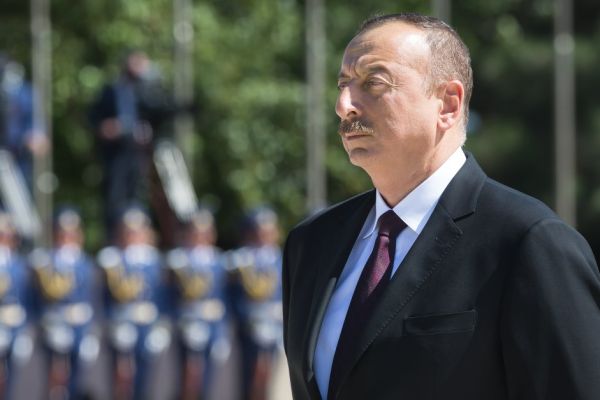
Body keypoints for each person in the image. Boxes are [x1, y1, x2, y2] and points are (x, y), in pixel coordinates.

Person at [282, 13, 600, 400]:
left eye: (373, 83)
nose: (343, 105)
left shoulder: (528, 242)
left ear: (448, 103)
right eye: (343, 84)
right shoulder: (311, 244)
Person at [89, 50, 173, 240]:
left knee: (142, 196)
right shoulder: (111, 91)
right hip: (117, 153)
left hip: (143, 152)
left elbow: (163, 114)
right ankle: (114, 238)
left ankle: (142, 238)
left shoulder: (151, 91)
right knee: (115, 197)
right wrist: (105, 127)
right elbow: (94, 117)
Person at [29, 207, 99, 399]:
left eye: (72, 233)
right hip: (54, 325)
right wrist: (47, 323)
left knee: (77, 378)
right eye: (63, 234)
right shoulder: (45, 262)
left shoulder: (85, 263)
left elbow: (93, 298)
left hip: (80, 325)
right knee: (53, 378)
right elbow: (36, 299)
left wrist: (91, 332)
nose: (67, 238)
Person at [166, 207, 230, 399]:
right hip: (185, 325)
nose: (200, 236)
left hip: (211, 325)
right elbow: (168, 297)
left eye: (205, 232)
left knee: (207, 379)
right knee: (187, 377)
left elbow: (223, 299)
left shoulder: (218, 261)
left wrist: (221, 334)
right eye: (196, 231)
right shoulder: (178, 260)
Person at [228, 207, 283, 400]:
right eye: (259, 231)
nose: (264, 236)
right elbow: (232, 296)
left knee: (271, 376)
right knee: (250, 374)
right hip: (248, 327)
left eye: (268, 231)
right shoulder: (240, 260)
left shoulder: (280, 258)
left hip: (275, 325)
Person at [0, 54, 49, 191]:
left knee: (21, 192)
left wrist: (36, 135)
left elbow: (34, 122)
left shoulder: (27, 93)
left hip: (20, 155)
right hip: (5, 149)